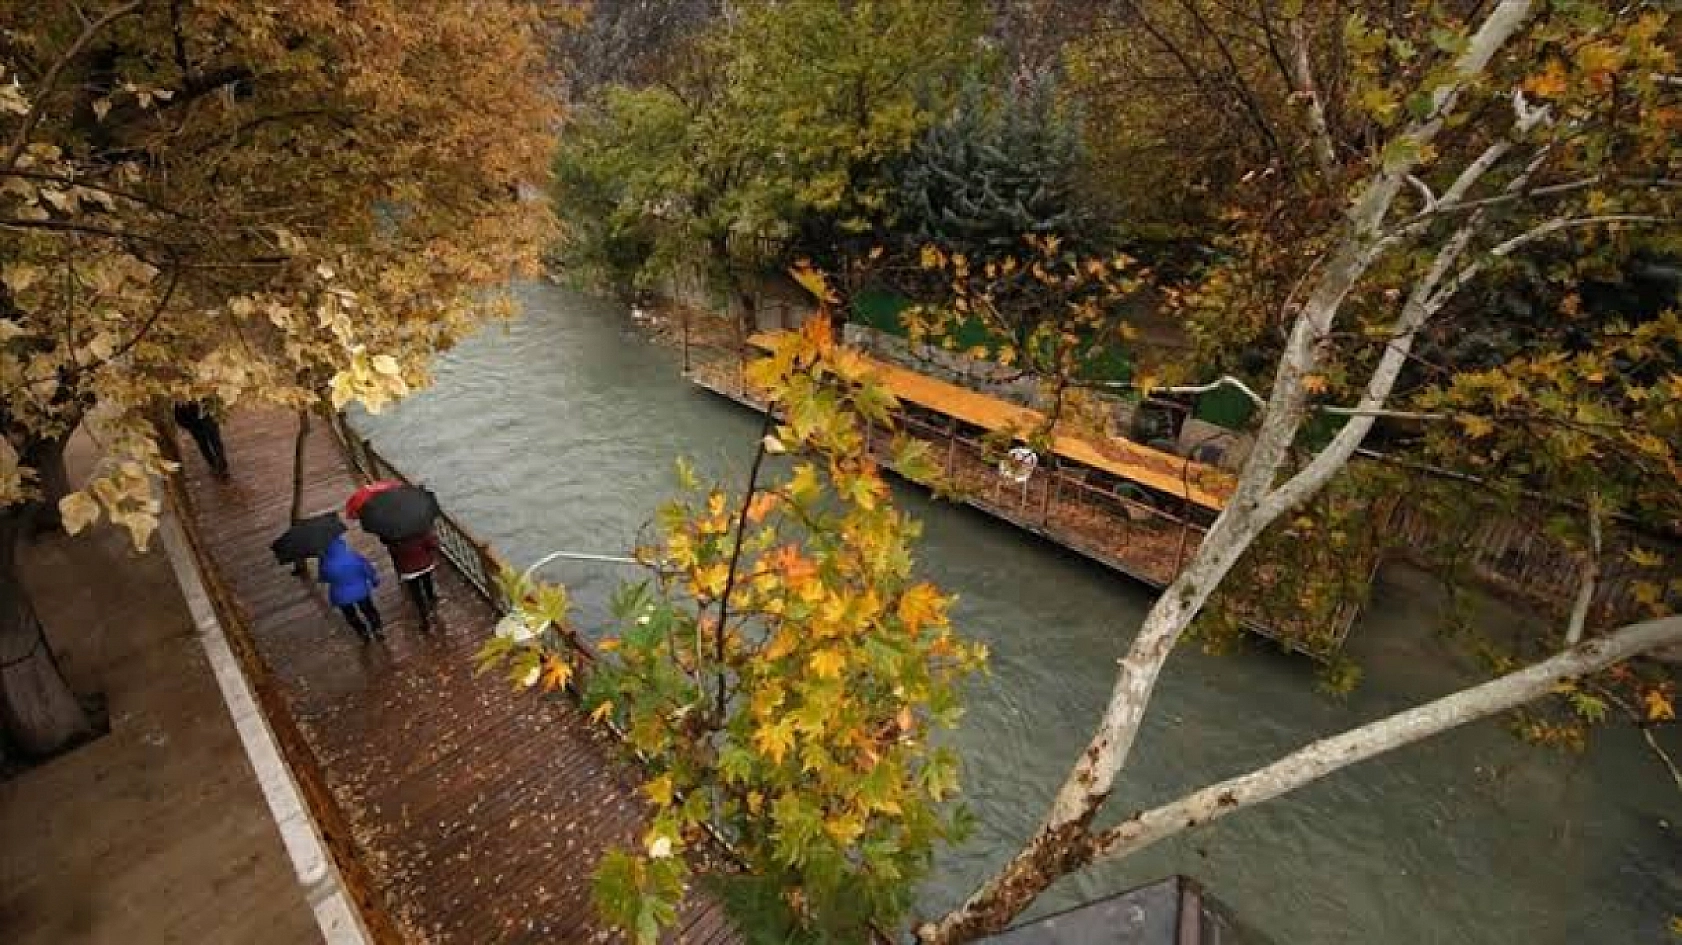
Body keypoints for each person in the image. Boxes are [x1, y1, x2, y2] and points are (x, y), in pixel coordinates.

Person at [318, 535, 383, 641]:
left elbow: (324, 578)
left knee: (350, 615)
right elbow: (367, 569)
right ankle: (377, 628)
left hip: (341, 596)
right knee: (369, 610)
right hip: (361, 591)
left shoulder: (326, 564)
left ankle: (362, 631)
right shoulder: (353, 556)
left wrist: (322, 561)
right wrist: (374, 580)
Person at [384, 529, 441, 629]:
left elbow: (394, 553)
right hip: (425, 564)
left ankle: (423, 615)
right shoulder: (418, 531)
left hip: (409, 570)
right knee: (427, 582)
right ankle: (431, 597)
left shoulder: (394, 538)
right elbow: (431, 544)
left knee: (416, 593)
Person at [173, 401, 230, 479]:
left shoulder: (204, 393)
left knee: (216, 442)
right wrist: (190, 426)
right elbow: (178, 417)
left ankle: (223, 466)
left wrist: (216, 416)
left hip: (209, 421)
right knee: (204, 446)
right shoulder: (180, 402)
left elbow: (215, 404)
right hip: (196, 427)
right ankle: (213, 464)